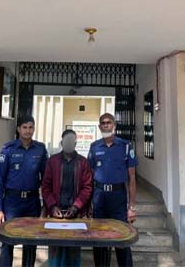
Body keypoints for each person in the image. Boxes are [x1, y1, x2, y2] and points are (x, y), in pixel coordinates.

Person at [0, 115, 49, 267]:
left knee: (30, 242)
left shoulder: (40, 149)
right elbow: (0, 180)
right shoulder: (8, 149)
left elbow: (45, 180)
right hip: (12, 202)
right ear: (18, 129)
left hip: (32, 202)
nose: (27, 131)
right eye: (24, 127)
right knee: (7, 241)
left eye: (31, 127)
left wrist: (46, 205)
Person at [87, 113, 138, 267]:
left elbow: (132, 178)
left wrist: (132, 207)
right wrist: (89, 204)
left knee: (122, 237)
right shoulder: (94, 147)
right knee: (99, 238)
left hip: (118, 197)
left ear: (114, 125)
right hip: (100, 197)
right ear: (99, 127)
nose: (106, 125)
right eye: (103, 123)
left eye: (109, 122)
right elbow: (90, 177)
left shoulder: (125, 146)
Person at [41, 129, 94, 267]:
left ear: (75, 143)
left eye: (72, 141)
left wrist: (76, 206)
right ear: (62, 143)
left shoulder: (83, 162)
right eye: (66, 141)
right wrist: (52, 206)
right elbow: (45, 186)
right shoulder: (52, 161)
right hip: (55, 214)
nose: (69, 143)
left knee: (73, 251)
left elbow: (87, 187)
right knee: (55, 251)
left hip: (75, 214)